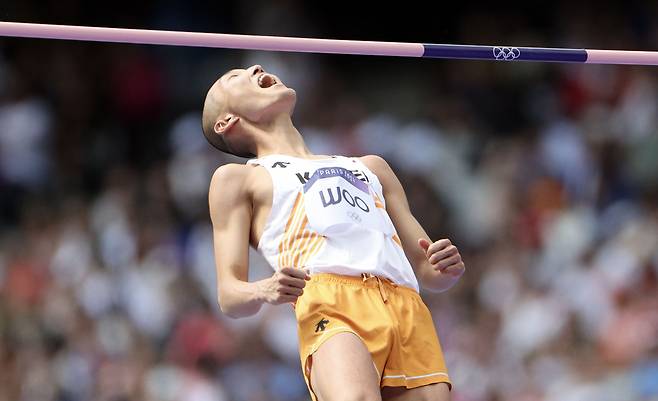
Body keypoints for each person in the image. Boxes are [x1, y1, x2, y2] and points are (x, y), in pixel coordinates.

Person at [202, 64, 465, 401]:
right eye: (235, 77)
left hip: (405, 304)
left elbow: (430, 272)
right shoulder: (238, 179)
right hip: (330, 300)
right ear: (226, 122)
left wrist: (445, 267)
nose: (256, 67)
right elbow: (229, 295)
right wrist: (265, 288)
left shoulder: (371, 167)